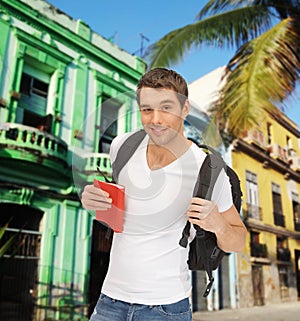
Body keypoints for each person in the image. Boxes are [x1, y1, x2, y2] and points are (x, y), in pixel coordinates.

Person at [81, 68, 247, 321]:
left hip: (165, 309)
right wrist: (93, 200)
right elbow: (121, 211)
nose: (155, 119)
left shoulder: (209, 170)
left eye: (166, 108)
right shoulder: (122, 147)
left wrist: (218, 224)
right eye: (147, 109)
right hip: (109, 302)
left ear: (185, 108)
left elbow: (238, 240)